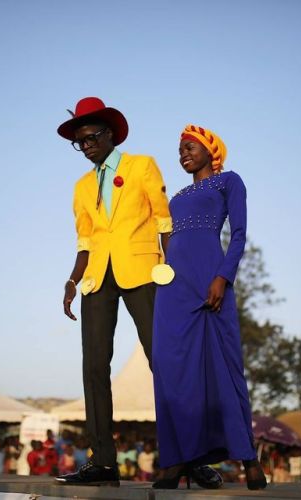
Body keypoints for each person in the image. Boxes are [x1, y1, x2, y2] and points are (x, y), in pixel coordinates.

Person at [54, 98, 222, 488]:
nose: (87, 146)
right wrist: (72, 280)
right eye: (80, 142)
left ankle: (190, 457)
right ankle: (103, 463)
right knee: (94, 369)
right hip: (97, 278)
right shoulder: (80, 187)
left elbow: (165, 221)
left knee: (164, 362)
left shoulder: (141, 165)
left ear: (110, 134)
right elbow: (85, 240)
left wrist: (179, 275)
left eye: (92, 137)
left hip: (145, 272)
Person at [151, 125, 267, 491]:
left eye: (189, 147)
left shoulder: (228, 181)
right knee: (170, 367)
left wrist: (223, 277)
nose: (183, 153)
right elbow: (165, 235)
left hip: (209, 277)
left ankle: (248, 458)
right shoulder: (179, 195)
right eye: (180, 149)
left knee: (225, 364)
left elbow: (239, 234)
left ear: (209, 149)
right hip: (173, 285)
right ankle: (176, 460)